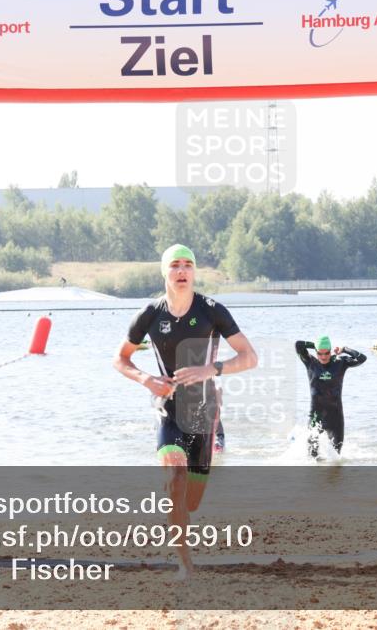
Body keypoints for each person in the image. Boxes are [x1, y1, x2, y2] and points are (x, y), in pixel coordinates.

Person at [113, 244, 257, 579]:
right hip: (168, 408)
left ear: (194, 272)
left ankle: (180, 510)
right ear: (165, 272)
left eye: (188, 265)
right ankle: (185, 564)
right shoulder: (150, 314)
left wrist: (212, 369)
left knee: (191, 501)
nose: (181, 271)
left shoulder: (212, 310)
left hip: (203, 412)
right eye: (175, 265)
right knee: (175, 480)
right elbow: (119, 358)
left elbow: (250, 357)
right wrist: (146, 379)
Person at [295, 336, 366, 458]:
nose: (323, 357)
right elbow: (298, 344)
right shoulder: (310, 361)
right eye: (320, 353)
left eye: (326, 353)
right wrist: (315, 346)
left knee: (335, 459)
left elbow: (361, 358)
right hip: (316, 417)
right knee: (312, 457)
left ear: (330, 350)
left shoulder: (340, 362)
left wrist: (344, 349)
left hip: (335, 417)